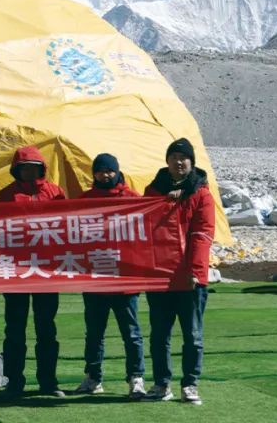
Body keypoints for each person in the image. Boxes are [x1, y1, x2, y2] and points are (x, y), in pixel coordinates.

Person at [142, 138, 215, 406]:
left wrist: (195, 270)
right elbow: (142, 227)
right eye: (174, 156)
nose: (179, 161)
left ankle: (190, 384)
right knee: (159, 334)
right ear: (167, 161)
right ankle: (162, 384)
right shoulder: (153, 191)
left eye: (184, 157)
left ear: (192, 162)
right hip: (160, 276)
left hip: (190, 278)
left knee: (192, 335)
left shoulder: (201, 194)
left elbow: (202, 234)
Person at [0, 145, 67, 399]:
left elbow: (68, 227)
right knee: (14, 329)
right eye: (24, 167)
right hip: (16, 273)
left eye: (33, 167)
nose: (28, 171)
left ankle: (48, 381)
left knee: (46, 329)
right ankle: (14, 381)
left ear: (41, 168)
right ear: (17, 169)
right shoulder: (6, 195)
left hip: (47, 273)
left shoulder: (55, 193)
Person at [74, 153, 147, 400]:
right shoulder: (84, 200)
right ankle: (93, 378)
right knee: (94, 333)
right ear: (93, 173)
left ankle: (136, 378)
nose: (105, 175)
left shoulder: (132, 199)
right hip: (95, 279)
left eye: (109, 171)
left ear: (117, 172)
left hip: (125, 281)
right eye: (100, 171)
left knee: (132, 333)